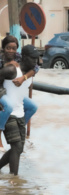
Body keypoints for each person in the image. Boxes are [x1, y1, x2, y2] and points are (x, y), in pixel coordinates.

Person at [0, 44, 39, 175]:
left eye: (36, 58)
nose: (35, 62)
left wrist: (25, 77)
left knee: (20, 148)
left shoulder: (30, 72)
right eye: (32, 59)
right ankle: (14, 181)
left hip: (20, 112)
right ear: (24, 57)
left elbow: (36, 69)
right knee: (16, 146)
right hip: (7, 111)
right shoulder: (11, 70)